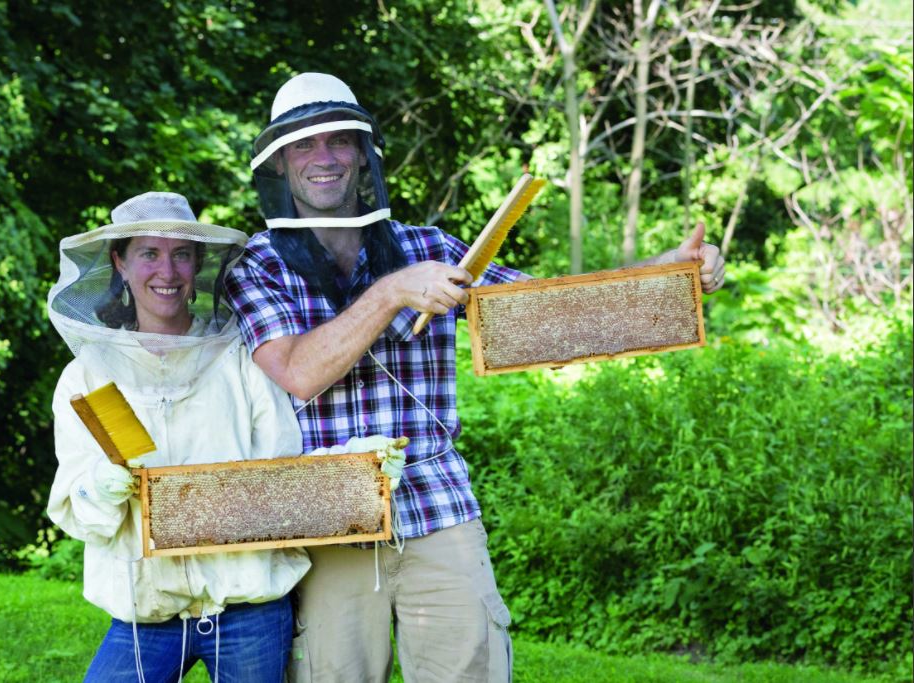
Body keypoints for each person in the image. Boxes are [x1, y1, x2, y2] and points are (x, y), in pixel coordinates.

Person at [224, 73, 727, 682]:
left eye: (339, 141)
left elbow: (546, 317)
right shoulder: (257, 265)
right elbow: (299, 372)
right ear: (279, 163)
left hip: (439, 510)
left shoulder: (427, 245)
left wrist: (666, 275)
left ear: (363, 156)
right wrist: (393, 292)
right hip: (328, 525)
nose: (324, 158)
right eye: (305, 145)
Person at [46, 192, 310, 682]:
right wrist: (101, 485)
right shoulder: (87, 376)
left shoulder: (242, 360)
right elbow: (78, 506)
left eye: (181, 254)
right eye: (149, 253)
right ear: (119, 263)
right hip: (146, 612)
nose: (167, 271)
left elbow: (282, 470)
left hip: (248, 606)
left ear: (198, 266)